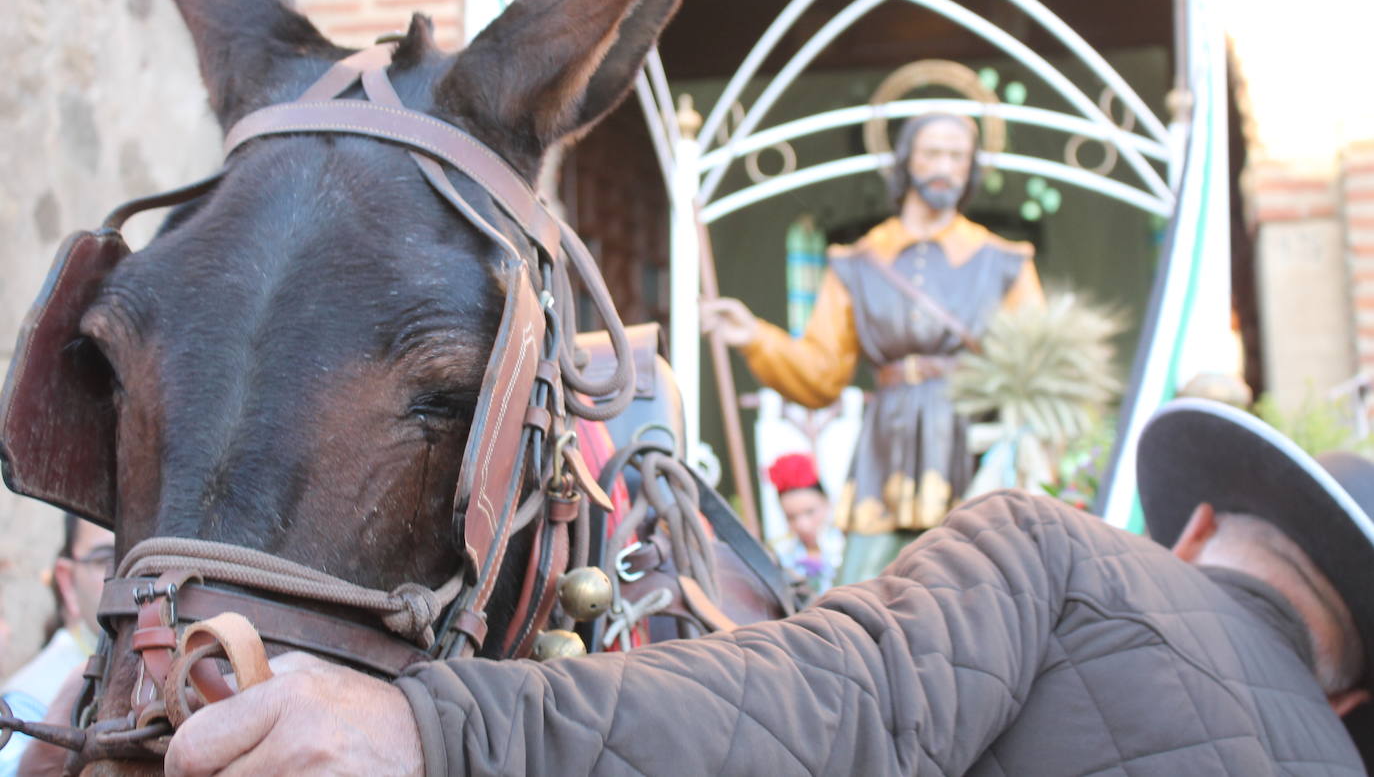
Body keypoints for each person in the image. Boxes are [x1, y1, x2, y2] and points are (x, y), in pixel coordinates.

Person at [159, 397, 1370, 775]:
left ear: (1200, 523)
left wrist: (434, 729)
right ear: (1355, 689)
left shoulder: (1068, 552)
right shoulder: (1338, 760)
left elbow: (837, 706)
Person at [702, 112, 1043, 583]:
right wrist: (756, 338)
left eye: (958, 156)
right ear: (906, 163)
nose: (946, 165)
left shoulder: (1004, 262)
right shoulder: (859, 262)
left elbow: (1040, 371)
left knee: (980, 587)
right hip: (886, 447)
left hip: (971, 442)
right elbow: (821, 374)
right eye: (933, 153)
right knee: (867, 593)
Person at [0, 516, 111, 775]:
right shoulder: (30, 698)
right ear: (67, 582)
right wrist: (36, 763)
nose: (131, 576)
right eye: (107, 559)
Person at [765, 453, 845, 599]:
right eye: (791, 517)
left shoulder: (848, 544)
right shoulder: (781, 554)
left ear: (827, 502)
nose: (803, 525)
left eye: (810, 512)